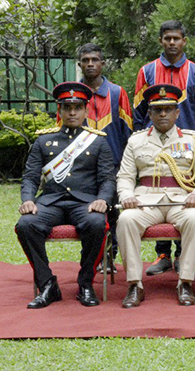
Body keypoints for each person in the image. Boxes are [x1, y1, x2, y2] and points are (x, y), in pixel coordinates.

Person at [16, 82, 115, 308]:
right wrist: (28, 200)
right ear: (59, 111)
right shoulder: (43, 141)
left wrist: (103, 200)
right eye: (67, 107)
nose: (72, 112)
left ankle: (85, 283)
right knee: (26, 225)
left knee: (97, 223)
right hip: (51, 202)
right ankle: (47, 284)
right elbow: (30, 176)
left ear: (86, 111)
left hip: (85, 203)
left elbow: (107, 178)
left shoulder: (98, 141)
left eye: (77, 108)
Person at [116, 84, 195, 308]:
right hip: (146, 200)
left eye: (168, 109)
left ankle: (185, 282)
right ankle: (135, 284)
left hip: (182, 199)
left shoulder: (193, 140)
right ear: (149, 114)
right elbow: (125, 176)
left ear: (177, 113)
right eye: (157, 110)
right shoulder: (136, 140)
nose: (163, 114)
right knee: (126, 219)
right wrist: (126, 195)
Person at [132, 20, 195, 276]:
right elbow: (138, 112)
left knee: (184, 200)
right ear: (161, 41)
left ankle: (183, 256)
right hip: (154, 146)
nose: (172, 42)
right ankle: (163, 254)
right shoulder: (147, 71)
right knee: (156, 191)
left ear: (184, 41)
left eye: (176, 38)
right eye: (167, 38)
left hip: (187, 150)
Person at [74, 43, 133, 272]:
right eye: (86, 60)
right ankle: (90, 258)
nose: (90, 64)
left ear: (102, 63)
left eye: (94, 60)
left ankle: (110, 257)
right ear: (80, 64)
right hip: (81, 168)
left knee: (113, 213)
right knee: (87, 213)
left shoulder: (117, 93)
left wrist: (127, 166)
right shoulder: (73, 94)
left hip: (114, 166)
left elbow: (128, 132)